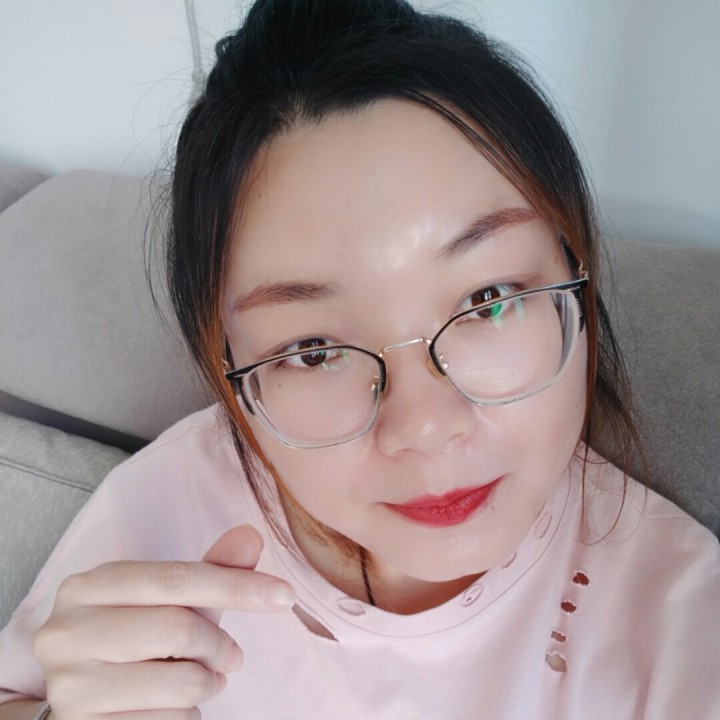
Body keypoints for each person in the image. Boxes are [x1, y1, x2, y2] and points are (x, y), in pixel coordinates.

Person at [1, 1, 719, 718]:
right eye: (313, 351)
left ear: (576, 277)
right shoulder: (164, 504)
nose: (424, 427)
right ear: (227, 361)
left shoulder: (680, 619)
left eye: (488, 299)